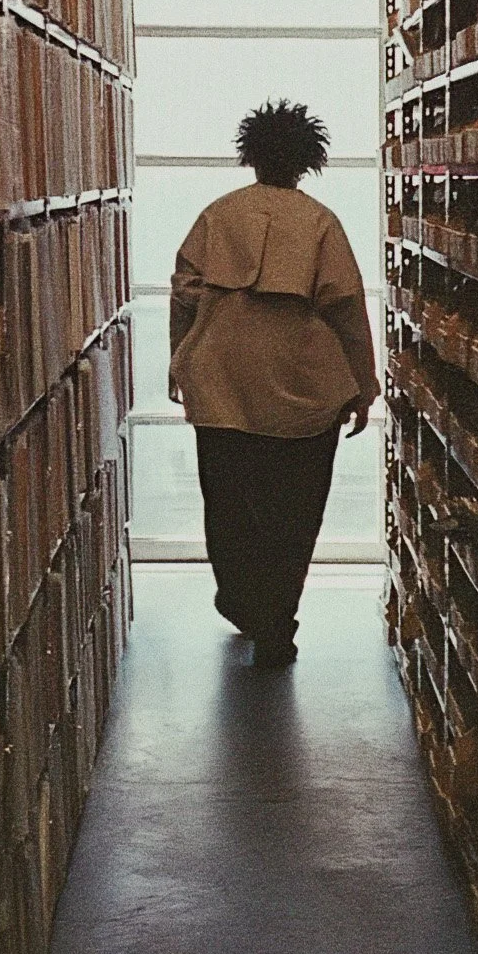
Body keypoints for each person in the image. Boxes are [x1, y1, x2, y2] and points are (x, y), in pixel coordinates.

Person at [168, 99, 380, 669]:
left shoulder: (217, 215)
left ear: (251, 156)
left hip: (221, 387)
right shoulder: (320, 222)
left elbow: (184, 294)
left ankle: (240, 600)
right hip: (304, 394)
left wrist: (179, 363)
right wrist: (363, 383)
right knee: (295, 516)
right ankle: (276, 623)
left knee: (229, 510)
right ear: (307, 162)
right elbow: (345, 306)